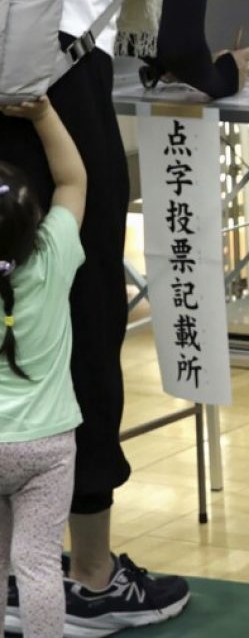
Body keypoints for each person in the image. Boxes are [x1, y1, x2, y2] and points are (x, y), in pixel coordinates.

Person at [1, 0, 249, 634]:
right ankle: (88, 575)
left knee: (16, 304)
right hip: (54, 95)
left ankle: (19, 574)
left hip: (9, 74)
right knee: (84, 317)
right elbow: (185, 44)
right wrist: (226, 74)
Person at [0, 99, 86, 638]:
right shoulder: (54, 254)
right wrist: (41, 112)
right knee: (36, 564)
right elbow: (73, 179)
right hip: (48, 449)